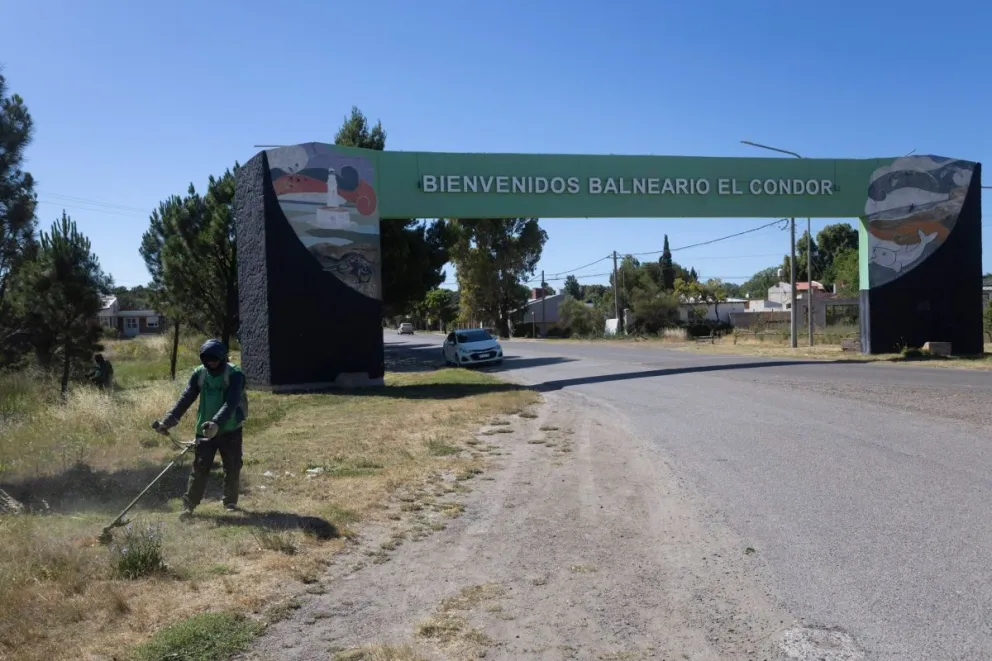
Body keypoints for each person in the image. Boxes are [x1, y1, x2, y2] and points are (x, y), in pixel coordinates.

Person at [155, 339, 247, 520]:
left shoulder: (235, 374)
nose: (212, 362)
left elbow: (231, 402)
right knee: (199, 468)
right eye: (208, 359)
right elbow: (186, 398)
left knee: (233, 465)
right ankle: (189, 505)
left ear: (223, 358)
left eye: (215, 359)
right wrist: (168, 421)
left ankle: (230, 502)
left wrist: (216, 423)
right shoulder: (199, 374)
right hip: (204, 431)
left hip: (230, 429)